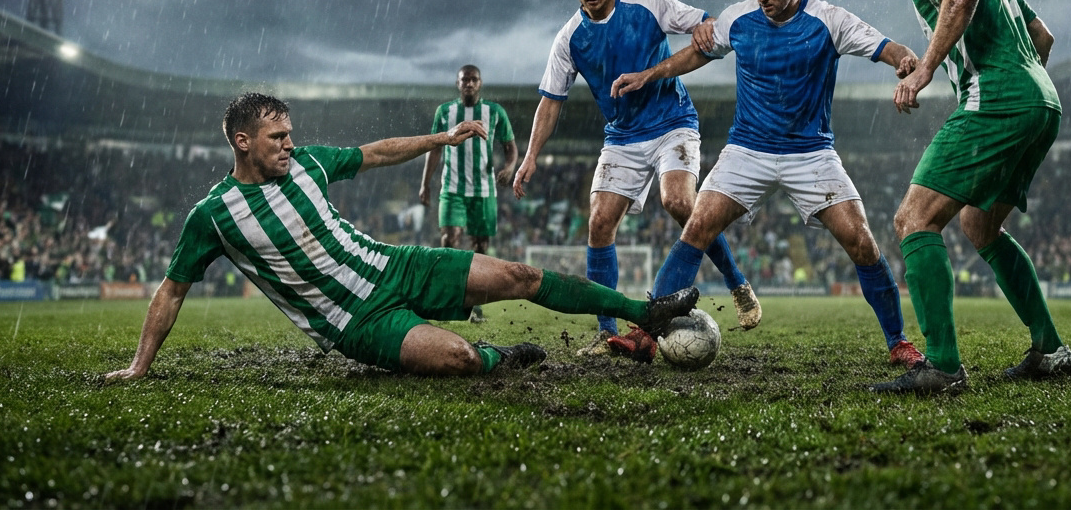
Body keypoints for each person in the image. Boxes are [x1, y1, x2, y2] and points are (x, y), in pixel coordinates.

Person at [103, 93, 698, 381]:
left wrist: (436, 142)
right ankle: (499, 358)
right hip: (355, 323)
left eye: (290, 134)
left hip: (394, 265)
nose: (290, 144)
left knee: (520, 275)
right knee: (461, 358)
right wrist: (138, 367)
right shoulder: (213, 216)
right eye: (278, 137)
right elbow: (172, 291)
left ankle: (645, 311)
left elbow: (375, 153)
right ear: (242, 142)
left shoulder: (309, 163)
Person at [611, 0, 927, 369]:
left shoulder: (829, 20)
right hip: (747, 151)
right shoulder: (739, 18)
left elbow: (889, 49)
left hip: (811, 154)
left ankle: (898, 343)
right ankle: (645, 337)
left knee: (861, 240)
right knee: (697, 225)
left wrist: (906, 63)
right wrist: (650, 74)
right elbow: (697, 53)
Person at [862, 0, 1071, 394]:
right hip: (1042, 100)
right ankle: (1050, 349)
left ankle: (942, 365)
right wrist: (1019, 92)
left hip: (1000, 98)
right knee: (980, 226)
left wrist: (924, 71)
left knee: (913, 220)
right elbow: (1042, 34)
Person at [513, 0, 758, 356]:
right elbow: (550, 102)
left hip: (672, 124)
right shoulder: (569, 39)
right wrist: (531, 155)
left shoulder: (649, 6)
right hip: (622, 138)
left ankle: (738, 283)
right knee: (599, 223)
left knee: (680, 202)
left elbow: (707, 25)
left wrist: (703, 25)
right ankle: (607, 331)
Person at [420, 64, 518, 322]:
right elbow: (434, 149)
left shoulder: (494, 112)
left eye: (473, 79)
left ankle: (475, 306)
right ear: (457, 83)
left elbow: (510, 147)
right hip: (452, 188)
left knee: (480, 247)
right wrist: (425, 183)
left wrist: (510, 167)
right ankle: (447, 298)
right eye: (465, 80)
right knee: (450, 241)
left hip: (484, 191)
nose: (469, 84)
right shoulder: (445, 112)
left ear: (480, 83)